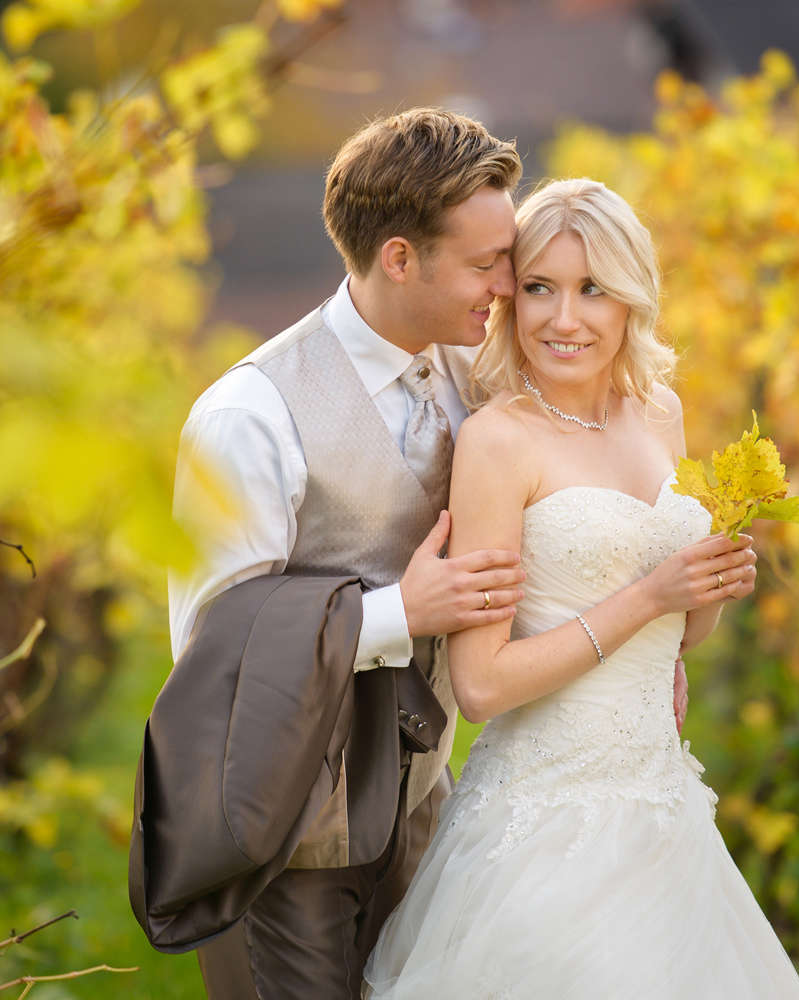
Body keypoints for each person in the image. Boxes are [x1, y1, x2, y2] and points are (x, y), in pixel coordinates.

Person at [362, 179, 799, 998]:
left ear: (631, 299)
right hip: (545, 825)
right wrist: (650, 594)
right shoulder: (500, 442)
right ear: (510, 295)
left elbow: (682, 637)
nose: (562, 319)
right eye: (539, 287)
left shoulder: (660, 413)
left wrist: (706, 586)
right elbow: (483, 684)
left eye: (592, 290)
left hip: (663, 816)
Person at [167, 109, 529, 1000]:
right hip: (287, 826)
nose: (509, 287)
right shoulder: (247, 416)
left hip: (425, 805)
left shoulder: (473, 381)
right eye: (487, 265)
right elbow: (216, 652)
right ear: (400, 258)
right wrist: (404, 614)